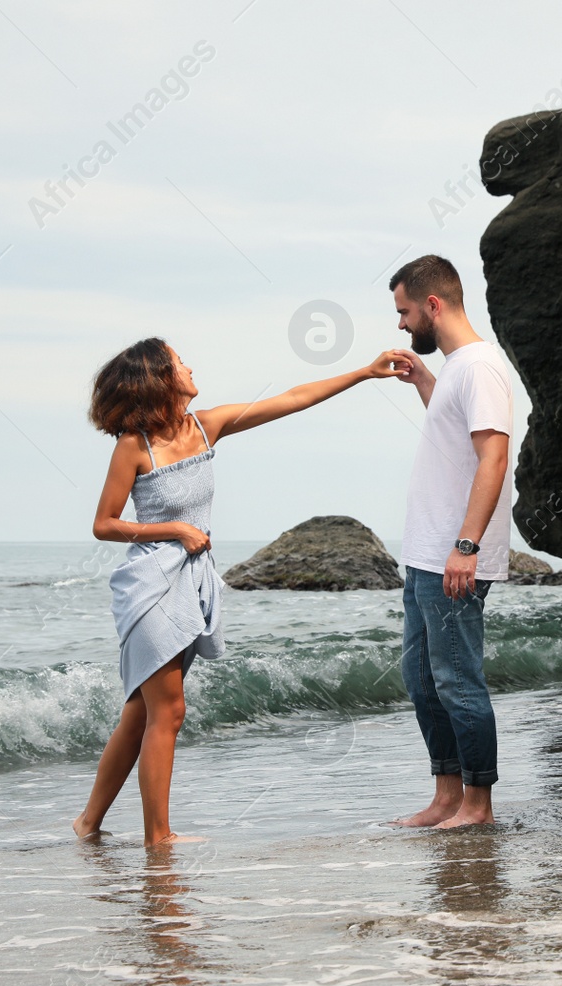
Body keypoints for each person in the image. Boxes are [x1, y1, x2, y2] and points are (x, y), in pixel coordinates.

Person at [73, 337, 409, 846]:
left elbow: (295, 398)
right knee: (170, 710)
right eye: (179, 360)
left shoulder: (206, 426)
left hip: (192, 584)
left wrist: (364, 372)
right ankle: (157, 837)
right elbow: (104, 524)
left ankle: (88, 822)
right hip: (150, 588)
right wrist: (176, 531)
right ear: (159, 378)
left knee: (142, 712)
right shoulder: (132, 446)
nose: (190, 365)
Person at [385, 255, 513, 829]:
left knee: (458, 680)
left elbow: (493, 456)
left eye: (405, 311)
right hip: (422, 557)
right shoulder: (458, 370)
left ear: (433, 306)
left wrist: (467, 545)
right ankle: (445, 796)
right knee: (422, 680)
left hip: (451, 557)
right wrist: (422, 381)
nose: (402, 323)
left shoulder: (482, 366)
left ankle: (478, 806)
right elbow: (454, 431)